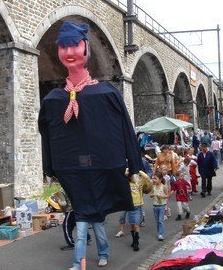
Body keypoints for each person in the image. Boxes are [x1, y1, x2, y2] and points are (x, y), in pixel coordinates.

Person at [38, 21, 143, 269]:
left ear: (86, 48)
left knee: (94, 218)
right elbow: (46, 134)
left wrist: (134, 163)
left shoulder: (106, 93)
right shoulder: (54, 101)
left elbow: (126, 129)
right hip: (72, 170)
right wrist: (49, 169)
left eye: (75, 45)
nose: (70, 52)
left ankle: (98, 254)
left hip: (103, 167)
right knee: (84, 217)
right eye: (63, 47)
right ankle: (81, 259)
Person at [55, 187, 91, 251]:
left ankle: (71, 244)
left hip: (70, 210)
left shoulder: (61, 191)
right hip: (78, 208)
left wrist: (58, 199)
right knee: (79, 224)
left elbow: (64, 203)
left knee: (66, 226)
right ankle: (87, 238)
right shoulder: (72, 186)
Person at [149, 171, 170, 241]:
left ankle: (161, 234)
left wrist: (162, 196)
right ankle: (159, 232)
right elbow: (150, 195)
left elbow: (167, 195)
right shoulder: (153, 187)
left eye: (155, 178)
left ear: (160, 179)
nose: (153, 180)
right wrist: (152, 195)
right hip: (155, 206)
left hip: (161, 206)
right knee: (157, 220)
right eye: (153, 178)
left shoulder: (163, 187)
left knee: (161, 220)